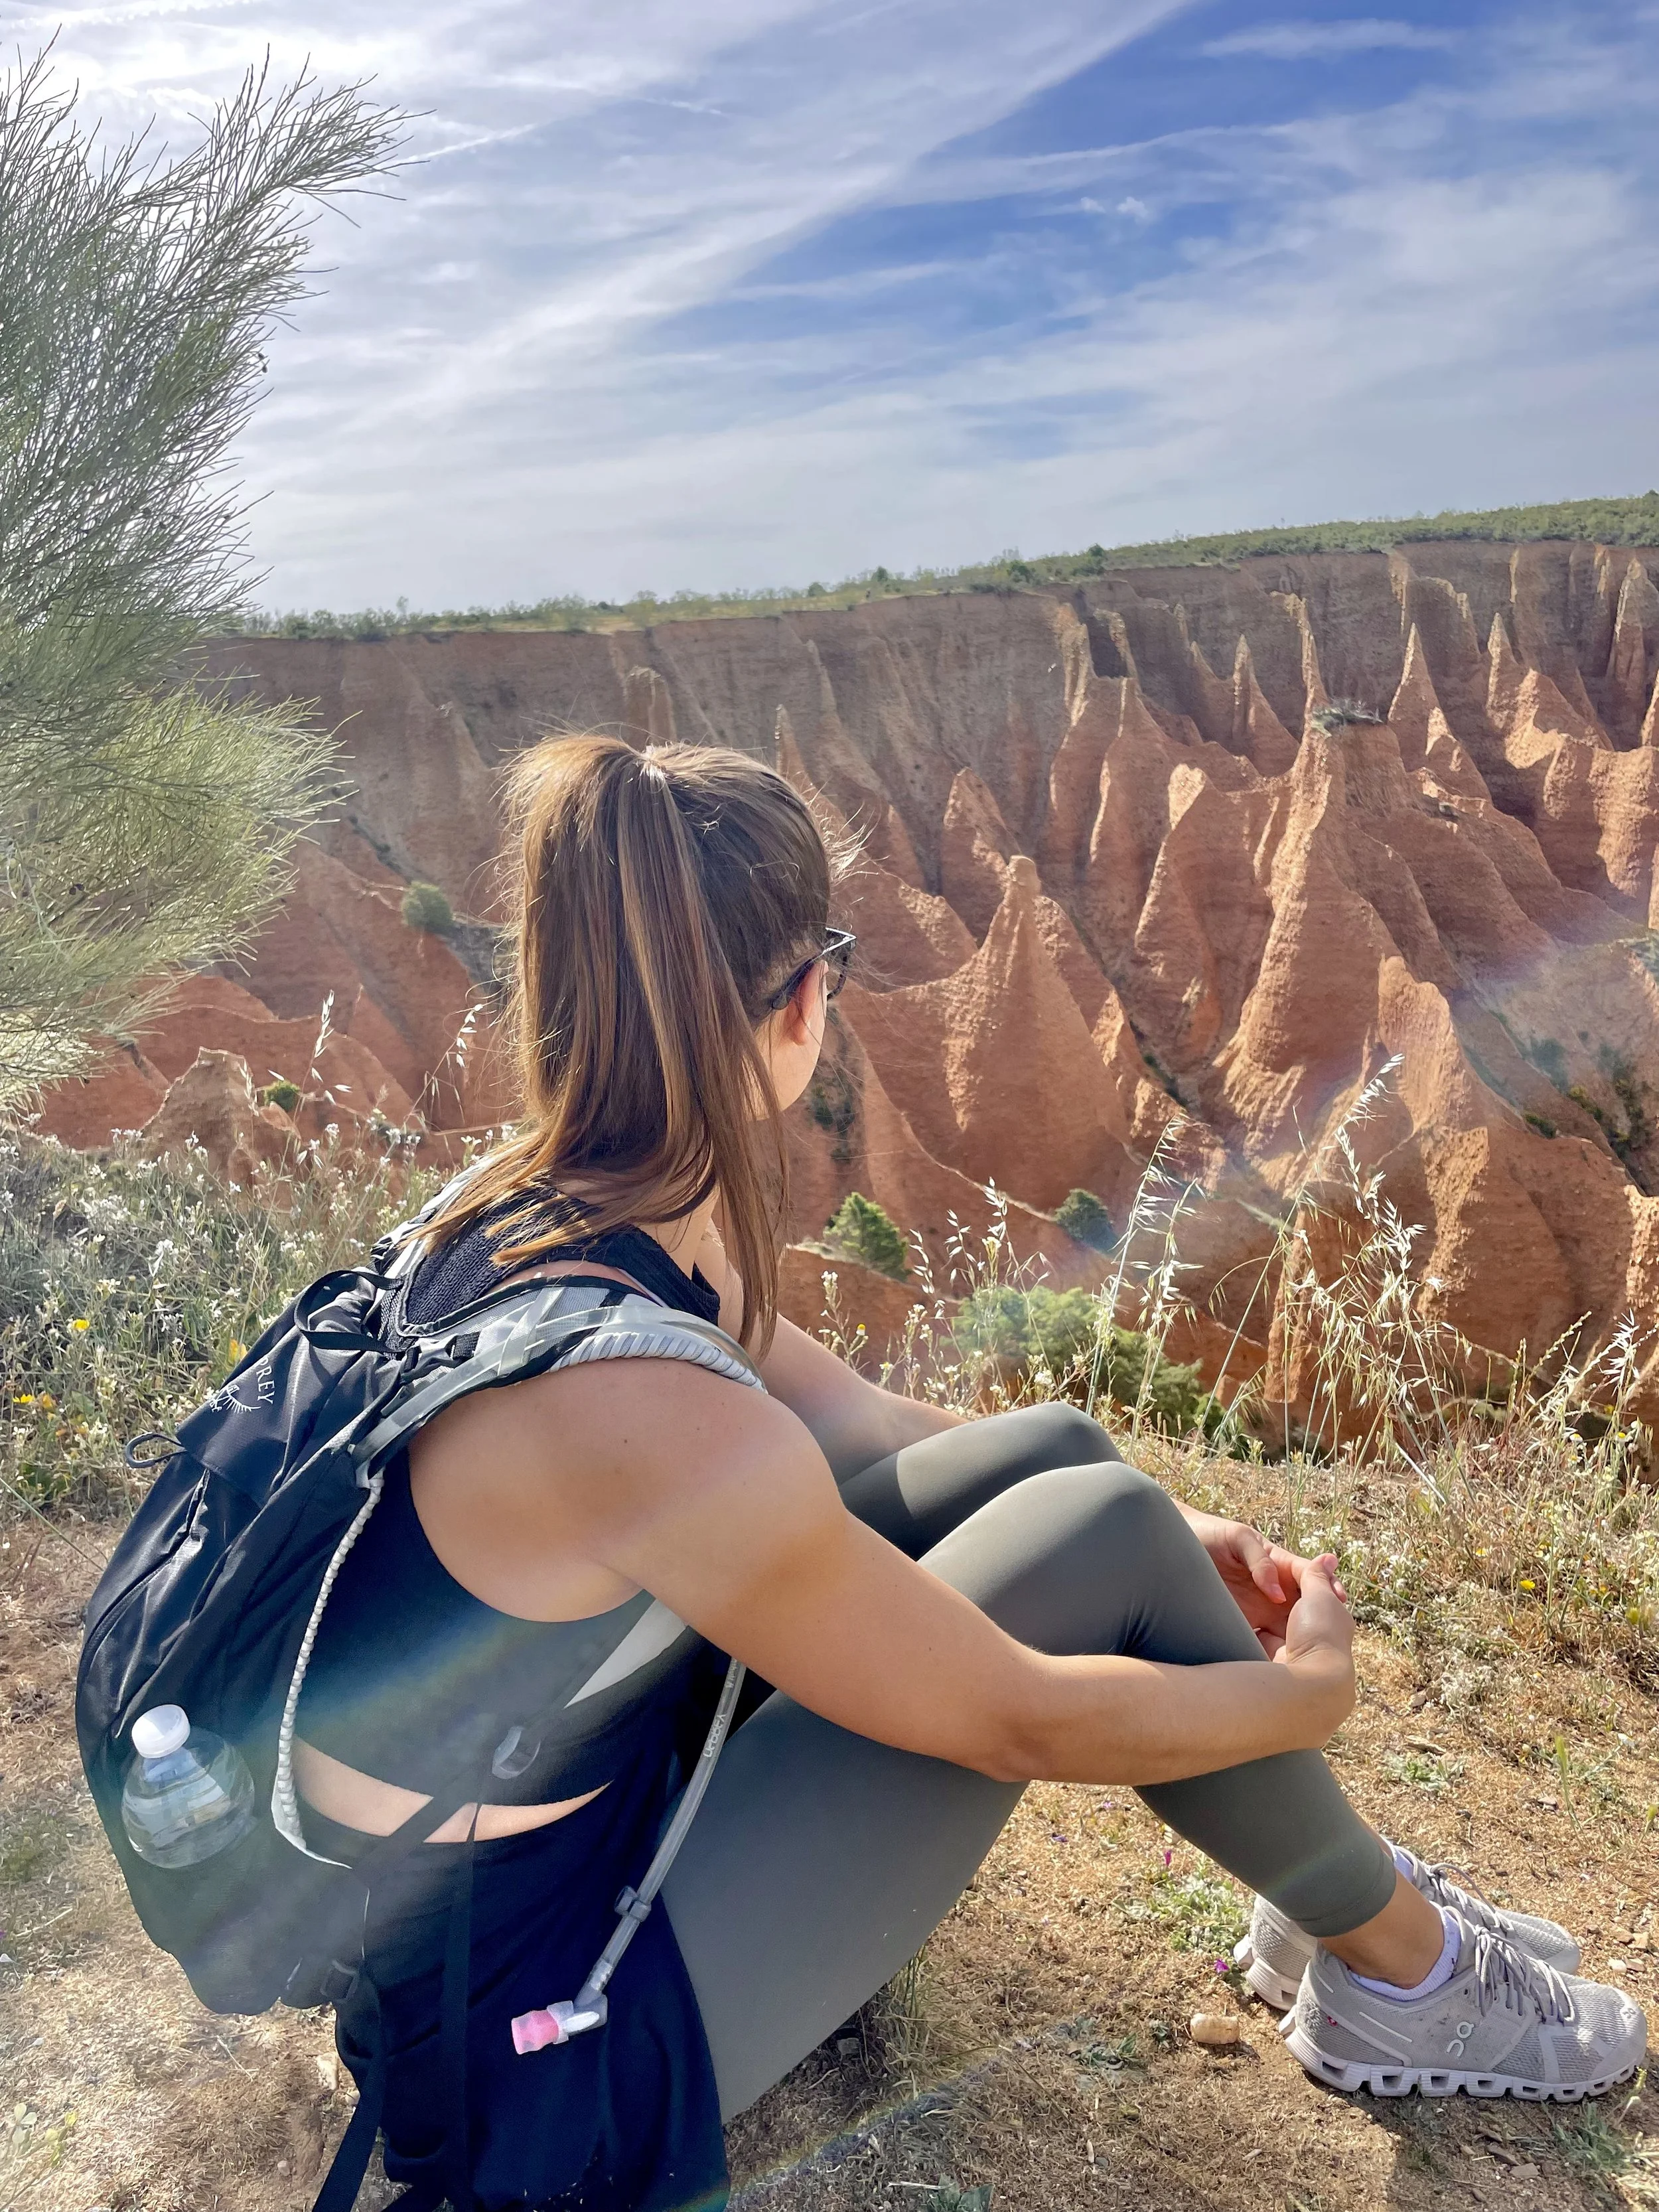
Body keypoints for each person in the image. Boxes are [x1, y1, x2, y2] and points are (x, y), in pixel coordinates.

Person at [292, 736, 1645, 2211]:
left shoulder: (538, 1213)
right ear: (802, 998)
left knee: (1081, 1471)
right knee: (1093, 1550)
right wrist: (1307, 1693)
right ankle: (1396, 1963)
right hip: (537, 2056)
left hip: (505, 1853)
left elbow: (867, 1420)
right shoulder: (637, 1394)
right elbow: (1016, 1715)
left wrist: (1178, 1518)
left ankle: (1333, 1903)